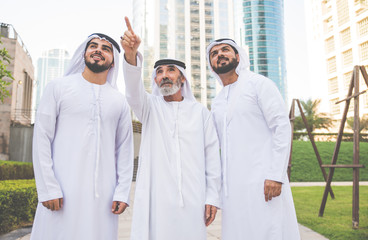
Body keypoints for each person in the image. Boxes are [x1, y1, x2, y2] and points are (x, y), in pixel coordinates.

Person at [121, 17, 221, 240]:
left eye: (171, 70)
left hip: (194, 198)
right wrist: (130, 55)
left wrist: (213, 196)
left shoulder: (200, 113)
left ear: (182, 79)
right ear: (155, 80)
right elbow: (132, 92)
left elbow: (212, 157)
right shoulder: (149, 108)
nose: (164, 75)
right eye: (159, 72)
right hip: (156, 201)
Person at [31, 33, 134, 240]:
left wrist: (122, 192)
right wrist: (48, 188)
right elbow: (42, 139)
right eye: (93, 46)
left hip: (103, 198)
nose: (98, 50)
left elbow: (124, 150)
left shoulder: (119, 101)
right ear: (84, 53)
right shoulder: (58, 88)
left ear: (112, 62)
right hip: (61, 192)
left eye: (106, 49)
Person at [206, 38, 300, 240]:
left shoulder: (259, 84)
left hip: (264, 182)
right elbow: (214, 145)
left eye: (225, 50)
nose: (220, 55)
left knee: (269, 231)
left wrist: (276, 174)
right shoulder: (218, 101)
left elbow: (282, 127)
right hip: (233, 189)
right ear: (212, 65)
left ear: (238, 56)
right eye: (214, 53)